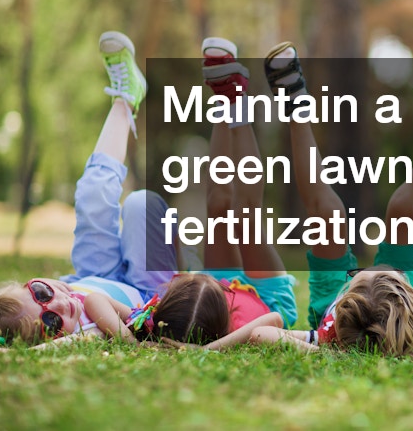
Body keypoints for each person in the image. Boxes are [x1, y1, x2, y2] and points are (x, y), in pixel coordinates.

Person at [254, 41, 413, 356]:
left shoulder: (328, 336)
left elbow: (260, 334)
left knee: (327, 213)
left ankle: (294, 105)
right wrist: (412, 352)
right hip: (394, 306)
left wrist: (330, 353)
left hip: (338, 300)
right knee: (403, 208)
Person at [84, 38, 298, 350]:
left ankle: (224, 96)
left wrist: (131, 337)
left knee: (218, 204)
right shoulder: (246, 325)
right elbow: (274, 323)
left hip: (212, 286)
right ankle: (237, 102)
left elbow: (97, 300)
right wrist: (206, 351)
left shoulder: (165, 315)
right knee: (244, 217)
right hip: (266, 298)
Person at [0, 31, 177, 347]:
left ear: (33, 283)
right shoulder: (85, 333)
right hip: (147, 293)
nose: (56, 305)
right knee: (140, 204)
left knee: (92, 194)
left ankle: (125, 98)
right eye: (50, 322)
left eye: (41, 292)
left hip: (92, 273)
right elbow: (53, 346)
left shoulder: (67, 294)